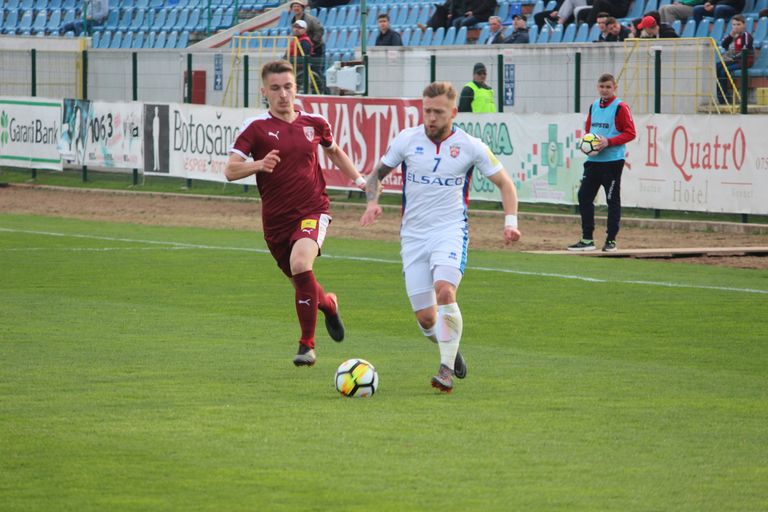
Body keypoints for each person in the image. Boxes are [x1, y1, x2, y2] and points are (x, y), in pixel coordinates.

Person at [359, 81, 521, 393]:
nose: (431, 117)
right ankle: (451, 347)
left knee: (445, 291)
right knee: (425, 317)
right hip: (413, 236)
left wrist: (510, 222)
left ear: (454, 113)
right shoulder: (408, 139)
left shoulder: (471, 146)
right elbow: (376, 175)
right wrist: (372, 202)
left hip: (450, 231)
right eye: (427, 111)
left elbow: (506, 184)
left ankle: (445, 369)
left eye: (438, 112)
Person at [225, 60, 366, 366]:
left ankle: (307, 346)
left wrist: (360, 180)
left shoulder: (314, 123)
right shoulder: (256, 128)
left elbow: (335, 151)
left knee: (301, 263)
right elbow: (230, 170)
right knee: (303, 282)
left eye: (288, 87)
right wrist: (258, 165)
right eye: (275, 88)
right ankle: (328, 304)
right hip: (275, 223)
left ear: (295, 88)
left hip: (313, 210)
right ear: (264, 91)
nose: (283, 94)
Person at [568, 74, 636, 253]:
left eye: (608, 87)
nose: (604, 90)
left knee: (612, 200)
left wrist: (609, 142)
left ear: (615, 87)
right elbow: (590, 131)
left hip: (612, 162)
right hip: (593, 161)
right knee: (584, 196)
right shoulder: (594, 106)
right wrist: (587, 145)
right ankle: (587, 239)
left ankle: (611, 240)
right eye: (601, 86)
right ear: (597, 87)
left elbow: (630, 133)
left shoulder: (620, 107)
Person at [716, 14, 754, 103]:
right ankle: (720, 95)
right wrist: (730, 36)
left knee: (724, 70)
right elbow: (723, 45)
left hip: (744, 61)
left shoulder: (746, 35)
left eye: (738, 24)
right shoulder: (733, 35)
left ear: (744, 25)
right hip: (735, 60)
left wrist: (733, 57)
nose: (736, 27)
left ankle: (724, 98)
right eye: (734, 24)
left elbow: (746, 49)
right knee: (717, 66)